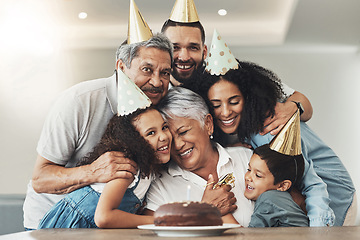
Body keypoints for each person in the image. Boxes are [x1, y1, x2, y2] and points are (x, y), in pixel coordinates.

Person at [22, 2, 174, 229]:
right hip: (53, 224)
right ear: (121, 67)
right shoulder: (79, 101)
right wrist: (93, 171)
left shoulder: (159, 107)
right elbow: (40, 180)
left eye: (165, 73)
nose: (156, 81)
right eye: (146, 69)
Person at [188, 30, 356, 226]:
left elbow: (314, 185)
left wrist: (318, 230)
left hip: (334, 195)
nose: (225, 112)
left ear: (248, 99)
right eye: (216, 105)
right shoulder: (231, 131)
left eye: (234, 101)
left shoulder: (268, 129)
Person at [38, 72, 172, 228]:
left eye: (164, 127)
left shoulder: (147, 171)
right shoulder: (126, 168)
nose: (163, 136)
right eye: (151, 133)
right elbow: (104, 217)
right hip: (67, 228)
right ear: (134, 141)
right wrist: (160, 221)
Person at [162, 1, 313, 136]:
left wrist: (293, 107)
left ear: (204, 51)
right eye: (175, 47)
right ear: (163, 50)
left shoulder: (227, 76)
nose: (184, 56)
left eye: (193, 47)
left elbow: (305, 104)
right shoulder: (156, 91)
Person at [144, 87, 254, 226]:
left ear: (208, 124)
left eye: (183, 132)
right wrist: (202, 213)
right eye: (169, 138)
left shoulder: (247, 160)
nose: (177, 145)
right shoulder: (160, 186)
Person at [246, 110, 308, 227]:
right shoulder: (284, 199)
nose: (248, 177)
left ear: (283, 186)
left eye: (258, 175)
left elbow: (252, 235)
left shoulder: (269, 199)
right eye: (249, 170)